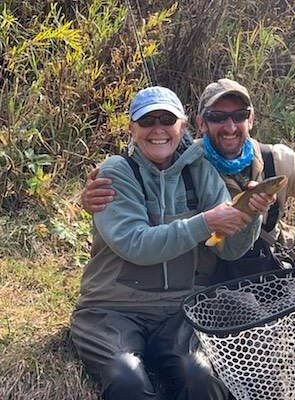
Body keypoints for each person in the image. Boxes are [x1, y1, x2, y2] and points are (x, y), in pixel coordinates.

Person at [81, 79, 295, 392]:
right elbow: (132, 195)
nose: (229, 126)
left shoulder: (273, 160)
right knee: (263, 351)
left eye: (239, 115)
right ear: (201, 124)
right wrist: (87, 198)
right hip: (215, 290)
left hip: (269, 280)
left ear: (251, 118)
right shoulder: (189, 161)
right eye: (218, 116)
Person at [71, 86, 275, 400]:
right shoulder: (116, 172)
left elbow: (230, 249)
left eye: (166, 119)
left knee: (199, 375)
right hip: (111, 309)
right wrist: (205, 221)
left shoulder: (201, 172)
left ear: (182, 126)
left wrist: (251, 215)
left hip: (178, 310)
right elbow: (137, 245)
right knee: (127, 378)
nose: (158, 129)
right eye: (147, 121)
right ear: (132, 129)